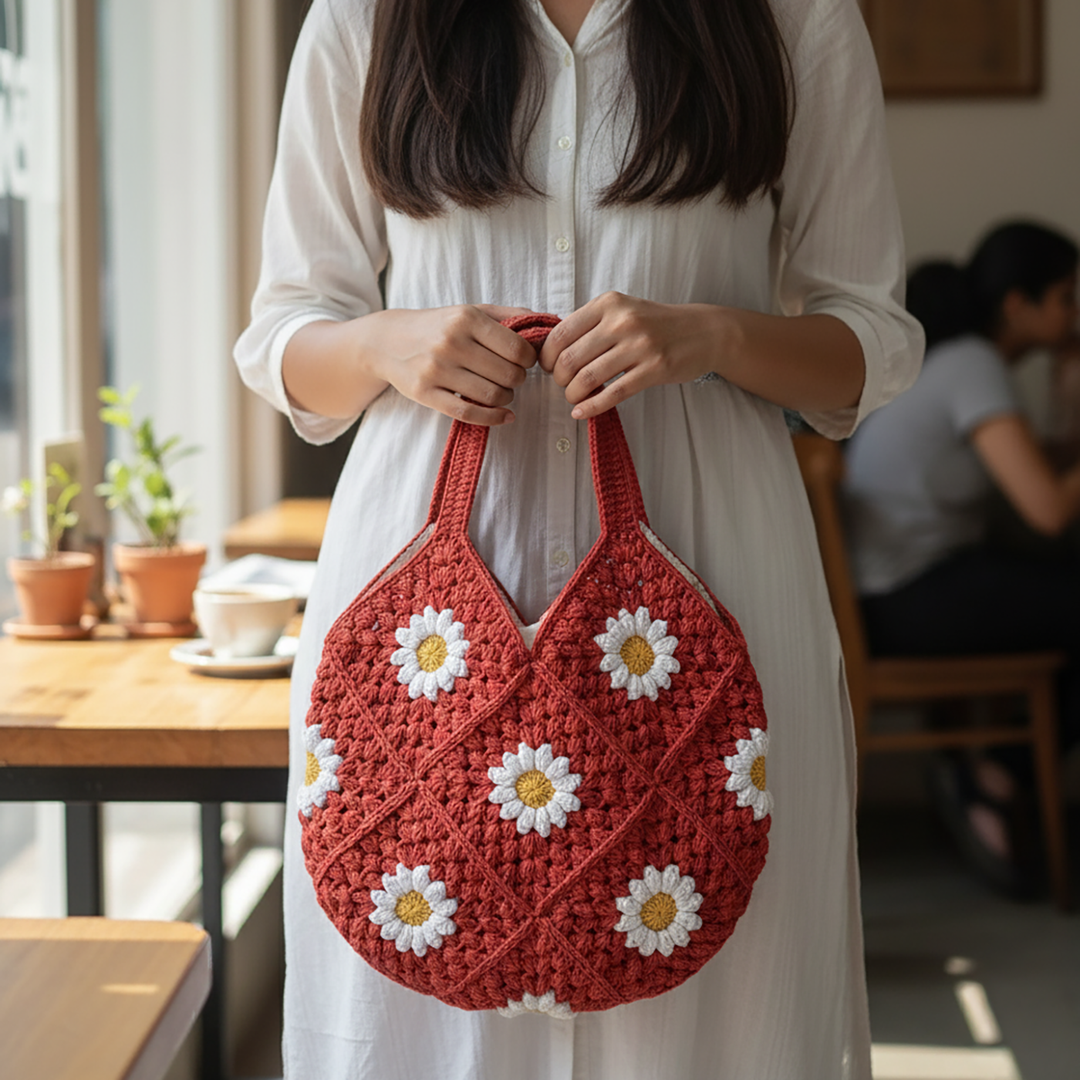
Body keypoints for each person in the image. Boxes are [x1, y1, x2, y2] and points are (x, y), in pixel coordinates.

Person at [234, 0, 922, 1076]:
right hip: (427, 606)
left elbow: (874, 341)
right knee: (425, 959)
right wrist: (388, 342)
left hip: (715, 579)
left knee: (720, 985)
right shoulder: (367, 19)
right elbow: (282, 336)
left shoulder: (794, 18)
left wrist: (719, 333)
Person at [843, 221, 1080, 892]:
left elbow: (1031, 482)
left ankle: (995, 770)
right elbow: (1049, 510)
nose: (1074, 314)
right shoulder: (974, 363)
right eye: (1066, 296)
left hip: (895, 592)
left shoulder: (956, 362)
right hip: (908, 598)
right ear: (1018, 305)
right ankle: (998, 772)